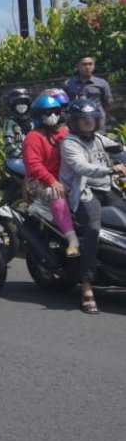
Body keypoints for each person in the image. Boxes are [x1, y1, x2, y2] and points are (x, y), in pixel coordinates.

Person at [60, 98, 126, 314]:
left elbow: (119, 150)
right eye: (83, 119)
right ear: (74, 121)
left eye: (91, 118)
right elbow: (82, 167)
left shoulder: (99, 139)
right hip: (84, 193)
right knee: (94, 229)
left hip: (107, 189)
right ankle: (86, 285)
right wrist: (110, 170)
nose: (88, 122)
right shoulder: (70, 143)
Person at [22, 92, 79, 256]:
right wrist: (52, 181)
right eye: (48, 113)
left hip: (63, 178)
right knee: (55, 193)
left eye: (55, 111)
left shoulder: (64, 133)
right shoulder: (33, 138)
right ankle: (72, 238)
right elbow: (33, 166)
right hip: (39, 181)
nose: (53, 116)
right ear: (38, 115)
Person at [64, 55, 113, 133]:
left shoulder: (102, 83)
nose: (87, 67)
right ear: (77, 66)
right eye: (84, 64)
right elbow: (65, 105)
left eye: (90, 64)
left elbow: (108, 104)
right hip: (76, 125)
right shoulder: (69, 84)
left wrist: (97, 112)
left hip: (97, 125)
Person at [3, 88, 32, 157]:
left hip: (34, 158)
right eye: (18, 103)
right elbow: (9, 144)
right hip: (17, 161)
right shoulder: (10, 123)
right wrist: (22, 156)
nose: (21, 105)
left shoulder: (32, 122)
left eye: (24, 102)